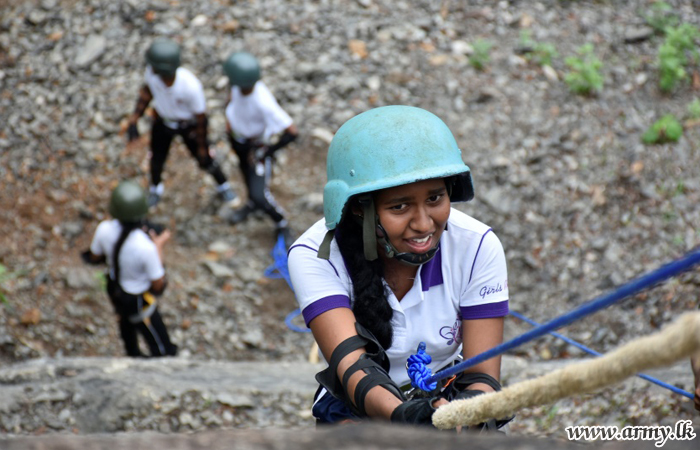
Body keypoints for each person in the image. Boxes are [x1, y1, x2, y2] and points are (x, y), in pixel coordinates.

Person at [287, 105, 510, 427]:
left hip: (446, 395)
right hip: (356, 406)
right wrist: (404, 416)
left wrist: (465, 416)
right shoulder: (315, 255)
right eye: (400, 206)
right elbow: (353, 367)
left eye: (435, 199)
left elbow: (481, 375)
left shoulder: (476, 246)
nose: (423, 224)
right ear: (359, 210)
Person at [126, 38, 237, 207]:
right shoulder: (152, 74)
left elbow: (201, 118)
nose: (150, 67)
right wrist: (134, 119)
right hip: (163, 123)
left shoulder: (190, 87)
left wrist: (201, 146)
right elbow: (147, 92)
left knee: (204, 159)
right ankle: (155, 188)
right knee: (156, 159)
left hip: (188, 126)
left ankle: (224, 186)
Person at [82, 180, 178, 357]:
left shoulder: (103, 229)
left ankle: (133, 354)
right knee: (163, 348)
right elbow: (158, 284)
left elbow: (94, 256)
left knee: (126, 325)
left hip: (115, 290)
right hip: (138, 300)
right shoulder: (145, 247)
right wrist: (159, 246)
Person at [222, 51, 298, 244]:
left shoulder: (263, 102)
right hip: (238, 141)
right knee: (245, 174)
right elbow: (231, 98)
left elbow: (292, 131)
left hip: (256, 147)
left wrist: (265, 152)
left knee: (259, 193)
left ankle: (281, 222)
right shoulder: (237, 86)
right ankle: (250, 204)